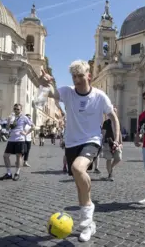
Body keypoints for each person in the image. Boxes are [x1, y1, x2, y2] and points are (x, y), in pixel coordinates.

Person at [39, 60, 121, 242]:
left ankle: (86, 219)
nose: (77, 80)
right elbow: (51, 93)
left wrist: (117, 139)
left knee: (78, 168)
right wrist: (46, 83)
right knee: (79, 183)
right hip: (71, 143)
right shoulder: (68, 92)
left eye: (80, 76)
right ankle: (88, 224)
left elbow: (113, 117)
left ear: (88, 76)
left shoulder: (99, 96)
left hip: (91, 141)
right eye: (74, 76)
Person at [0, 104, 34, 181]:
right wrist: (8, 121)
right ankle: (8, 173)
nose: (16, 110)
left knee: (18, 156)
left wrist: (26, 133)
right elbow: (8, 128)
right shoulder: (11, 117)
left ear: (21, 110)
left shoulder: (24, 118)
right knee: (5, 156)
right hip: (11, 139)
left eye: (18, 109)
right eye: (15, 109)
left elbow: (33, 126)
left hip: (20, 139)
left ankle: (17, 173)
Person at [101, 107, 123, 181]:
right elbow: (103, 133)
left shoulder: (117, 122)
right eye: (113, 111)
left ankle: (111, 167)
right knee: (109, 158)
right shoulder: (106, 122)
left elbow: (119, 133)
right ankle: (110, 175)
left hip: (116, 143)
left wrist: (121, 142)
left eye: (115, 111)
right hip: (107, 143)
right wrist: (102, 142)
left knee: (118, 158)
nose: (114, 113)